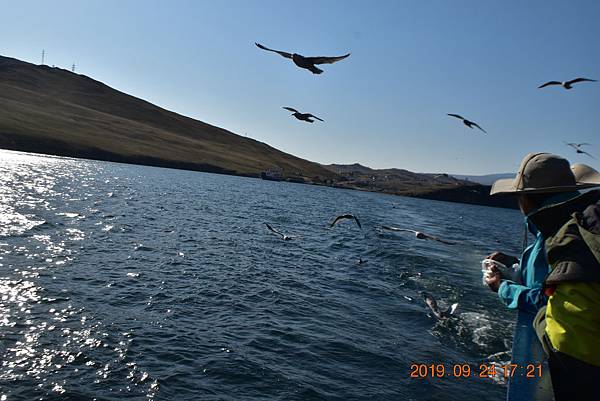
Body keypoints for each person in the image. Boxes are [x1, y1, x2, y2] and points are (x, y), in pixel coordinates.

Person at [488, 153, 600, 400]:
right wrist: (514, 264)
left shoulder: (559, 239)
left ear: (525, 199)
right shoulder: (578, 228)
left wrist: (501, 287)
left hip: (570, 373)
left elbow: (548, 302)